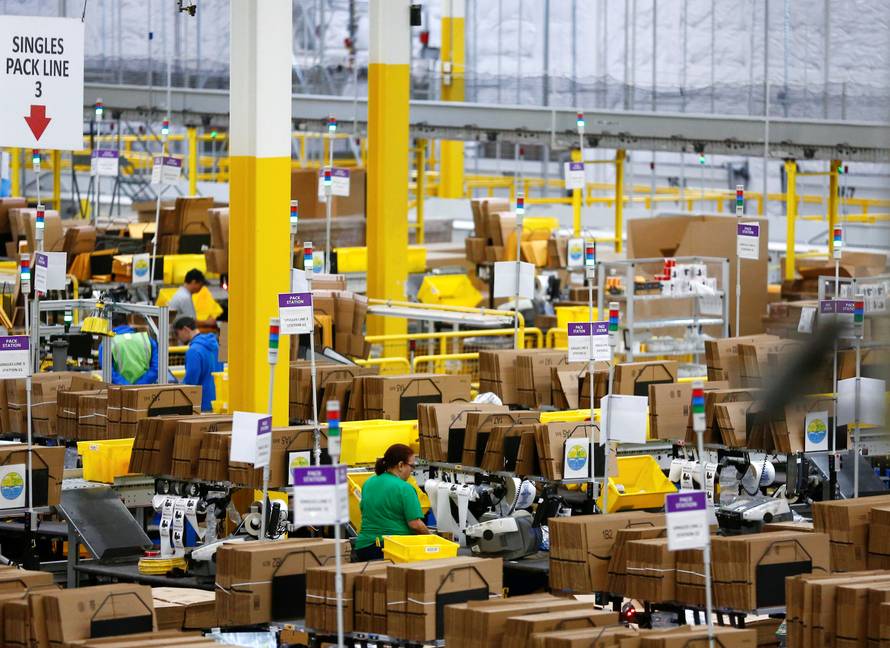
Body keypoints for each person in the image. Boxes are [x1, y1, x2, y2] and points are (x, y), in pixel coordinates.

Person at [354, 443, 430, 561]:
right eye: (411, 466)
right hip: (388, 550)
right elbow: (415, 524)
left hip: (363, 548)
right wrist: (430, 538)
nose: (412, 470)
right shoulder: (404, 488)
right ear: (400, 465)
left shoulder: (368, 483)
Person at [173, 316, 222, 412]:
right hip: (217, 402)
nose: (178, 338)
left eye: (177, 334)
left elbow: (191, 383)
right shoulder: (216, 346)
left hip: (202, 405)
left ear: (185, 329)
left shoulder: (194, 351)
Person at [98, 313, 159, 385]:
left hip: (120, 392)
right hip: (145, 391)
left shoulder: (107, 343)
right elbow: (156, 368)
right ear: (127, 321)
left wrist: (127, 387)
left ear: (108, 324)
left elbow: (108, 372)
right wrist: (139, 385)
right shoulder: (147, 339)